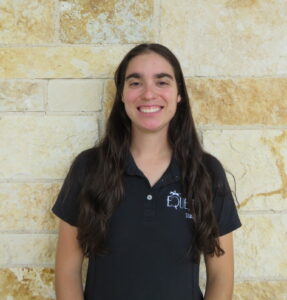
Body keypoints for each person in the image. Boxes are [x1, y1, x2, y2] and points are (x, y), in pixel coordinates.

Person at [52, 43, 241, 300]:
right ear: (121, 95)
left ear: (179, 94)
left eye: (162, 82)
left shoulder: (206, 173)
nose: (149, 94)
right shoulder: (88, 168)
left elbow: (221, 277)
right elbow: (67, 272)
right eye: (135, 83)